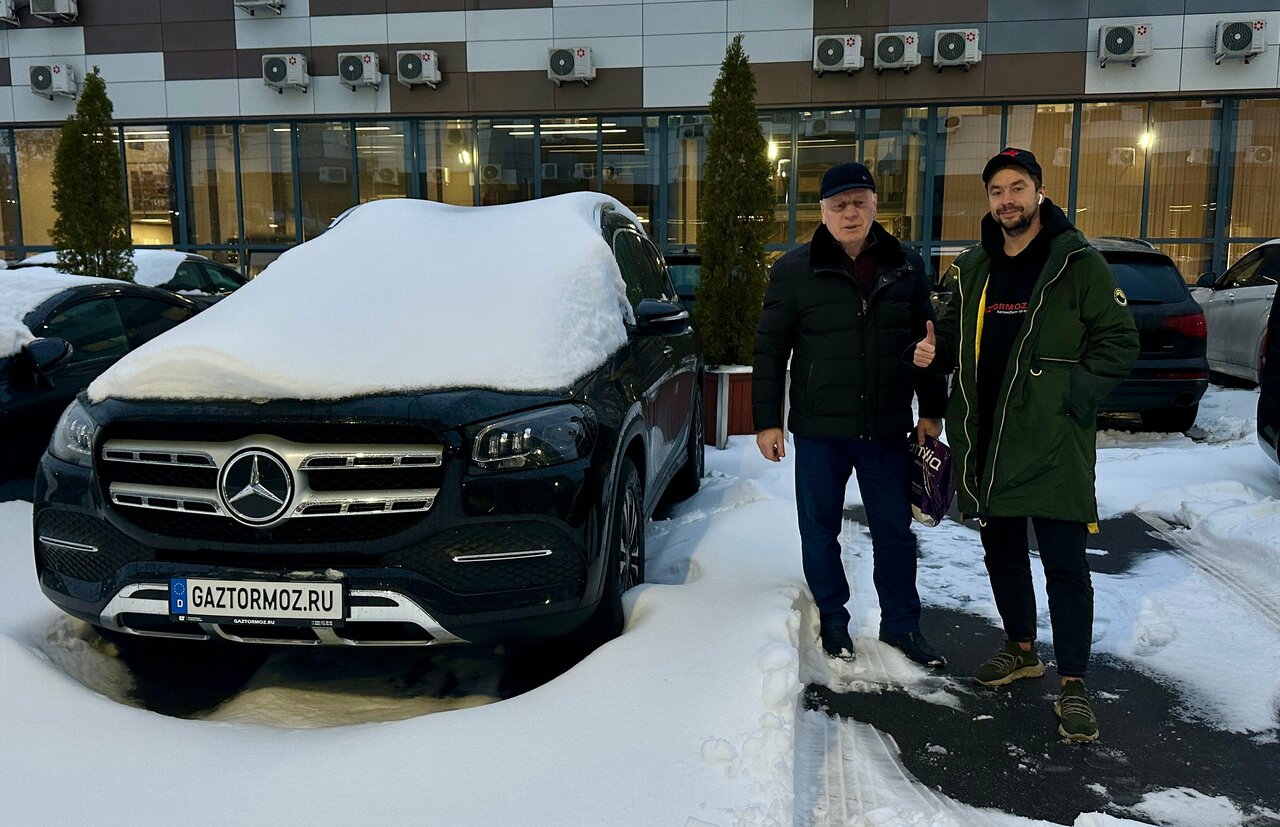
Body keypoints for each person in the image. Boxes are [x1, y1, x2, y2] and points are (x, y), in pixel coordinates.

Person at [912, 148, 1139, 742]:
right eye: (996, 191)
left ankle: (1074, 682)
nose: (1006, 200)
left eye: (1017, 187)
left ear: (1039, 191)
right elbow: (950, 339)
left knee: (1065, 564)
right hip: (987, 438)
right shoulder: (973, 268)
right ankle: (1020, 648)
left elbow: (1119, 340)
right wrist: (933, 353)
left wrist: (1071, 397)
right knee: (1002, 553)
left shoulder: (1077, 263)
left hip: (1054, 441)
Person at [754, 162, 949, 668]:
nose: (850, 213)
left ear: (874, 205)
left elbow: (928, 343)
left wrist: (932, 409)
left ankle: (903, 625)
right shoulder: (794, 270)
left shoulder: (905, 266)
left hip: (885, 427)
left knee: (894, 532)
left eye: (859, 202)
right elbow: (770, 349)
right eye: (839, 205)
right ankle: (834, 620)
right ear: (822, 212)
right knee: (820, 530)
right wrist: (767, 420)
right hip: (820, 431)